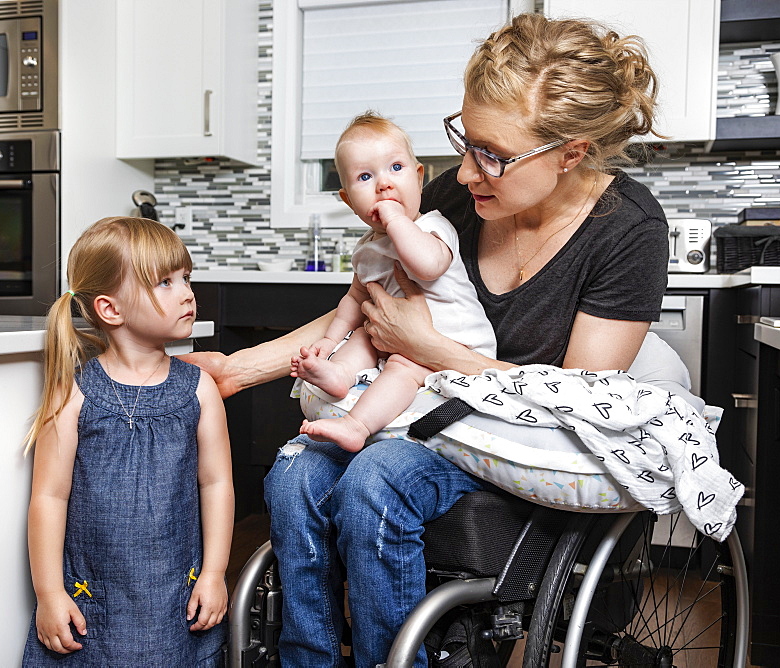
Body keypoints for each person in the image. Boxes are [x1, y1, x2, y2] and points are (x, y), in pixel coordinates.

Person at [186, 12, 668, 666]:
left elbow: (574, 402)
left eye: (491, 154)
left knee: (376, 478)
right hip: (420, 413)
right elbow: (369, 307)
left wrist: (432, 350)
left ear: (570, 153)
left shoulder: (627, 231)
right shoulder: (465, 196)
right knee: (297, 472)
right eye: (463, 140)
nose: (466, 173)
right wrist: (239, 370)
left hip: (517, 441)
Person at [21, 217, 232, 666]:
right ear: (111, 309)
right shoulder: (73, 390)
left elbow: (216, 485)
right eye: (164, 282)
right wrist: (49, 593)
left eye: (186, 278)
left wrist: (214, 573)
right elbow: (48, 496)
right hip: (94, 599)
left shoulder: (199, 389)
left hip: (175, 595)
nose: (187, 292)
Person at [292, 112, 496, 452]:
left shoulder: (433, 227)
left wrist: (395, 219)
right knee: (360, 336)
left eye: (396, 168)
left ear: (419, 178)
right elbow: (355, 300)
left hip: (456, 344)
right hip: (398, 340)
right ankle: (340, 374)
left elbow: (427, 266)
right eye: (365, 176)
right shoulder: (366, 249)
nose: (384, 184)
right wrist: (328, 344)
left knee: (402, 365)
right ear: (347, 199)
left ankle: (356, 425)